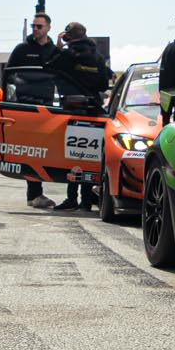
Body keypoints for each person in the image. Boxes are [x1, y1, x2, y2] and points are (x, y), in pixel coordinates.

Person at [49, 22, 112, 212]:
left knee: (72, 155)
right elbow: (104, 84)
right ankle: (86, 201)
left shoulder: (67, 54)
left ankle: (71, 199)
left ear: (68, 37)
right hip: (93, 111)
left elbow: (49, 68)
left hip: (72, 111)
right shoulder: (97, 56)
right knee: (88, 156)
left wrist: (58, 48)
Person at [6, 14, 58, 209]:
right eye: (34, 26)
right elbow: (8, 74)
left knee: (44, 151)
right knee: (31, 151)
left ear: (48, 28)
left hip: (47, 107)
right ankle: (34, 194)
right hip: (25, 106)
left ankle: (36, 194)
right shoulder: (22, 49)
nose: (35, 29)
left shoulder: (54, 51)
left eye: (39, 26)